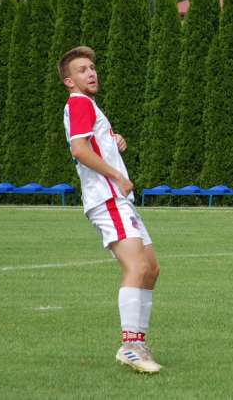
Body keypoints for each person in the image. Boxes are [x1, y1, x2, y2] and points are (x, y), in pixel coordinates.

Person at [59, 46, 162, 373]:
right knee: (136, 266)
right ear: (69, 81)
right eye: (82, 70)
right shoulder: (79, 102)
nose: (91, 73)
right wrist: (117, 174)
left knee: (150, 267)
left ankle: (138, 343)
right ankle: (130, 345)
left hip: (117, 199)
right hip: (107, 197)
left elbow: (91, 143)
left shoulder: (87, 105)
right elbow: (79, 149)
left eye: (92, 67)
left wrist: (113, 140)